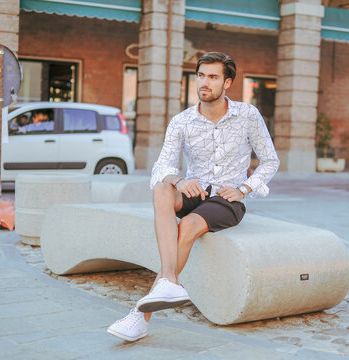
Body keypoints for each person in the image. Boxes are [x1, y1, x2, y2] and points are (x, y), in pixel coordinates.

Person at [107, 52, 280, 341]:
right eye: (201, 75)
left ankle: (140, 316)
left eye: (213, 77)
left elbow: (270, 161)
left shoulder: (247, 115)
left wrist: (244, 189)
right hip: (194, 191)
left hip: (227, 200)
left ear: (227, 82)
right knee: (163, 187)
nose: (204, 82)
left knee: (186, 227)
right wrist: (179, 179)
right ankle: (170, 281)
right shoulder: (182, 121)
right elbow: (161, 167)